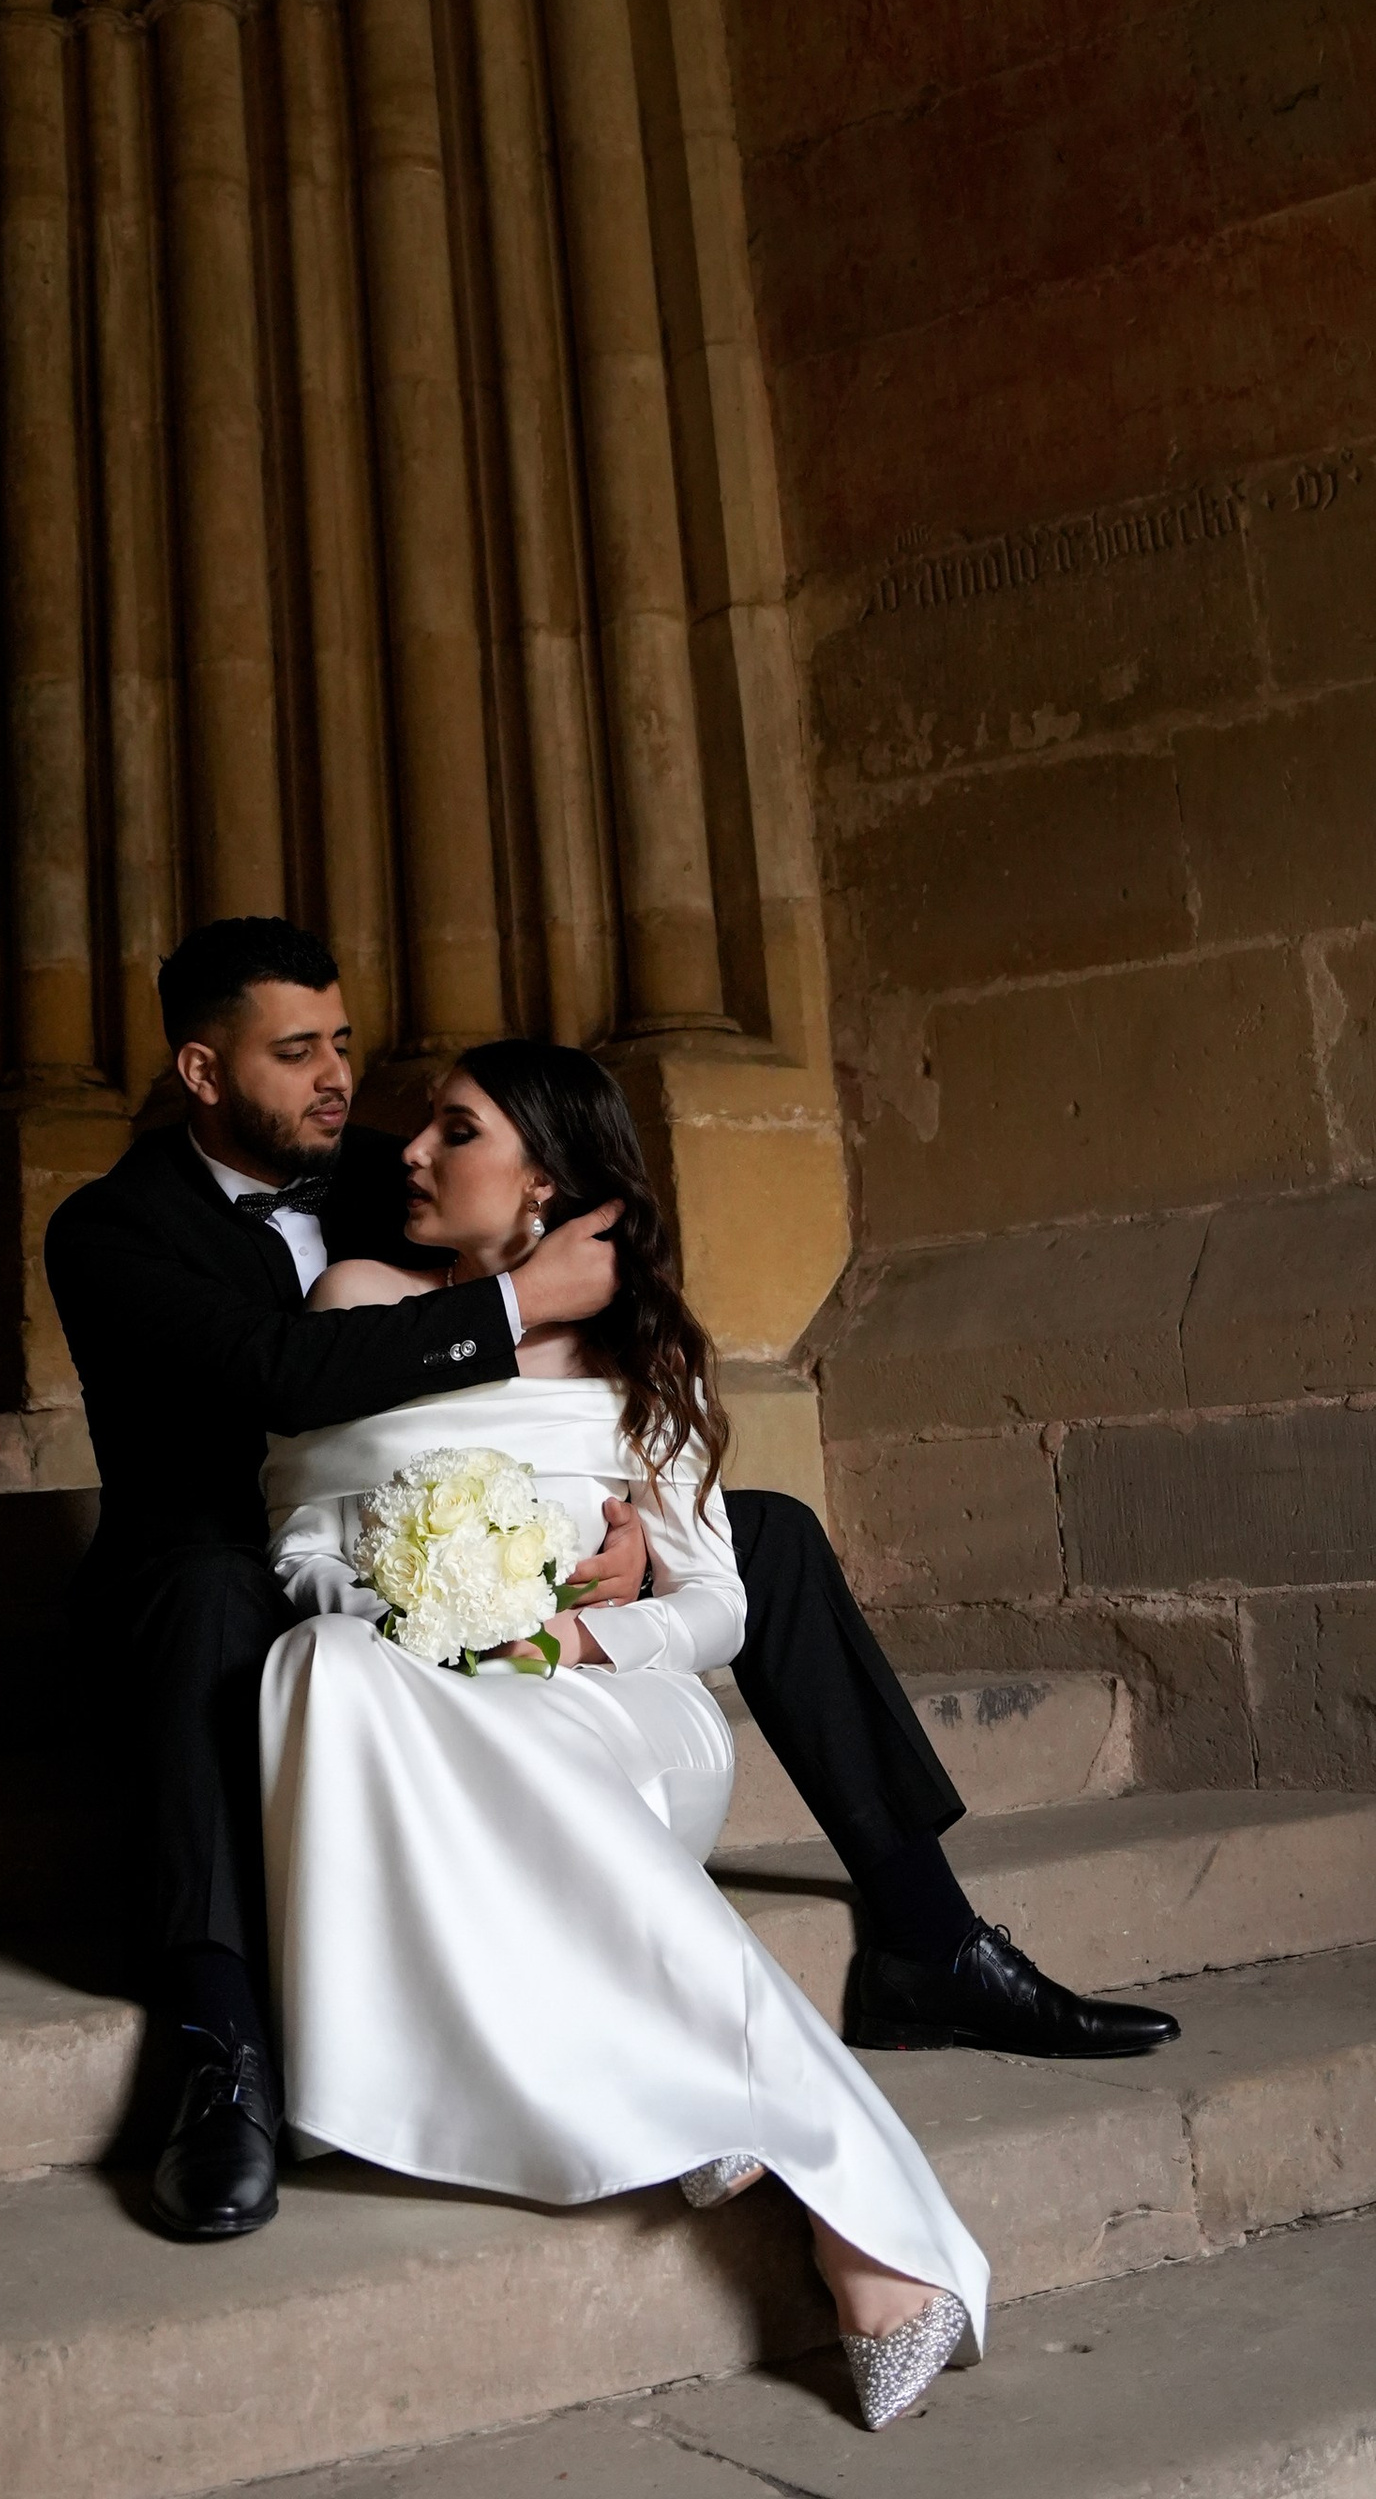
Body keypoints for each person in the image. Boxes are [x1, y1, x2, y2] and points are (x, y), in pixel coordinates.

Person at [43, 916, 1174, 2259]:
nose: (344, 1082)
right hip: (226, 1541)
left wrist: (598, 1526)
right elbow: (293, 1374)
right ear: (201, 1068)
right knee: (215, 1605)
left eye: (343, 1041)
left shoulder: (379, 1172)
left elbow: (560, 1304)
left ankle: (926, 1930)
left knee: (773, 1534)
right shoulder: (109, 1230)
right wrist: (516, 1310)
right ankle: (218, 2044)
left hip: (452, 1512)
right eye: (297, 1054)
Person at [263, 1034, 983, 2430]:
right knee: (323, 1669)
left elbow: (720, 1602)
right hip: (431, 1697)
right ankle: (818, 2184)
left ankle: (822, 2184)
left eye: (454, 1131)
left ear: (547, 1178)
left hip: (616, 1713)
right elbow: (299, 1540)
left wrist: (592, 1625)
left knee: (519, 1736)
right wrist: (427, 1590)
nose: (410, 1151)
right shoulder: (357, 1300)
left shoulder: (640, 1359)